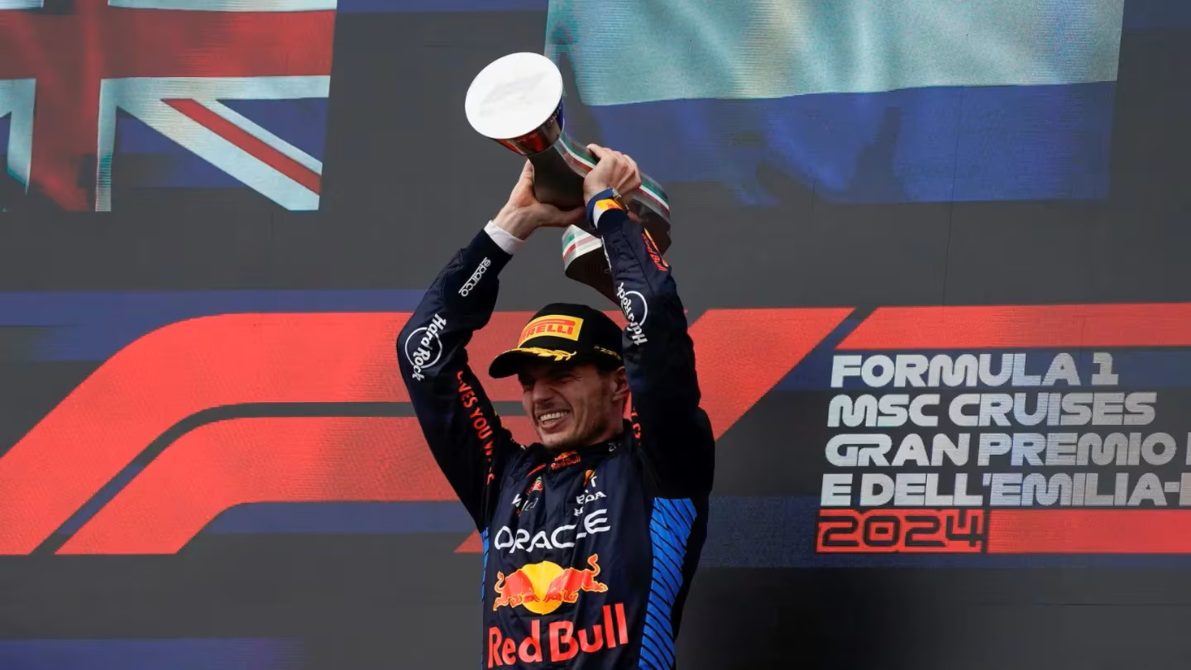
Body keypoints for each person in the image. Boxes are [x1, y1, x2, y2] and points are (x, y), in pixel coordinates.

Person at [397, 145, 714, 669]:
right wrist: (511, 224)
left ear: (619, 382)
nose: (540, 396)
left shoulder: (659, 468)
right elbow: (422, 352)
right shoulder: (503, 479)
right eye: (529, 382)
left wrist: (606, 207)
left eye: (562, 375)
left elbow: (654, 324)